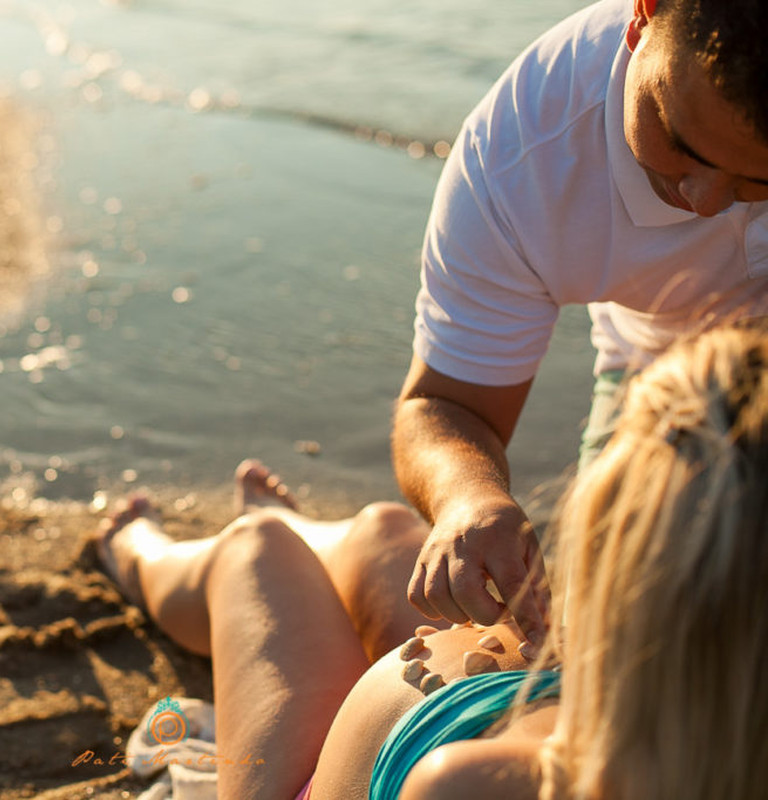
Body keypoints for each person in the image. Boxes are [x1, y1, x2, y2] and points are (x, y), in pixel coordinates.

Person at [95, 326, 768, 799]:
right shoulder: (703, 723)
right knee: (387, 532)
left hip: (330, 778)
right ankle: (294, 528)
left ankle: (137, 555)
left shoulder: (470, 790)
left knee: (258, 556)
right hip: (458, 714)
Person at [394, 0, 768, 645]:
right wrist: (468, 496)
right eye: (679, 143)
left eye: (757, 179)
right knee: (614, 632)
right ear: (642, 15)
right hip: (659, 371)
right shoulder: (520, 160)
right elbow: (443, 404)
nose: (705, 203)